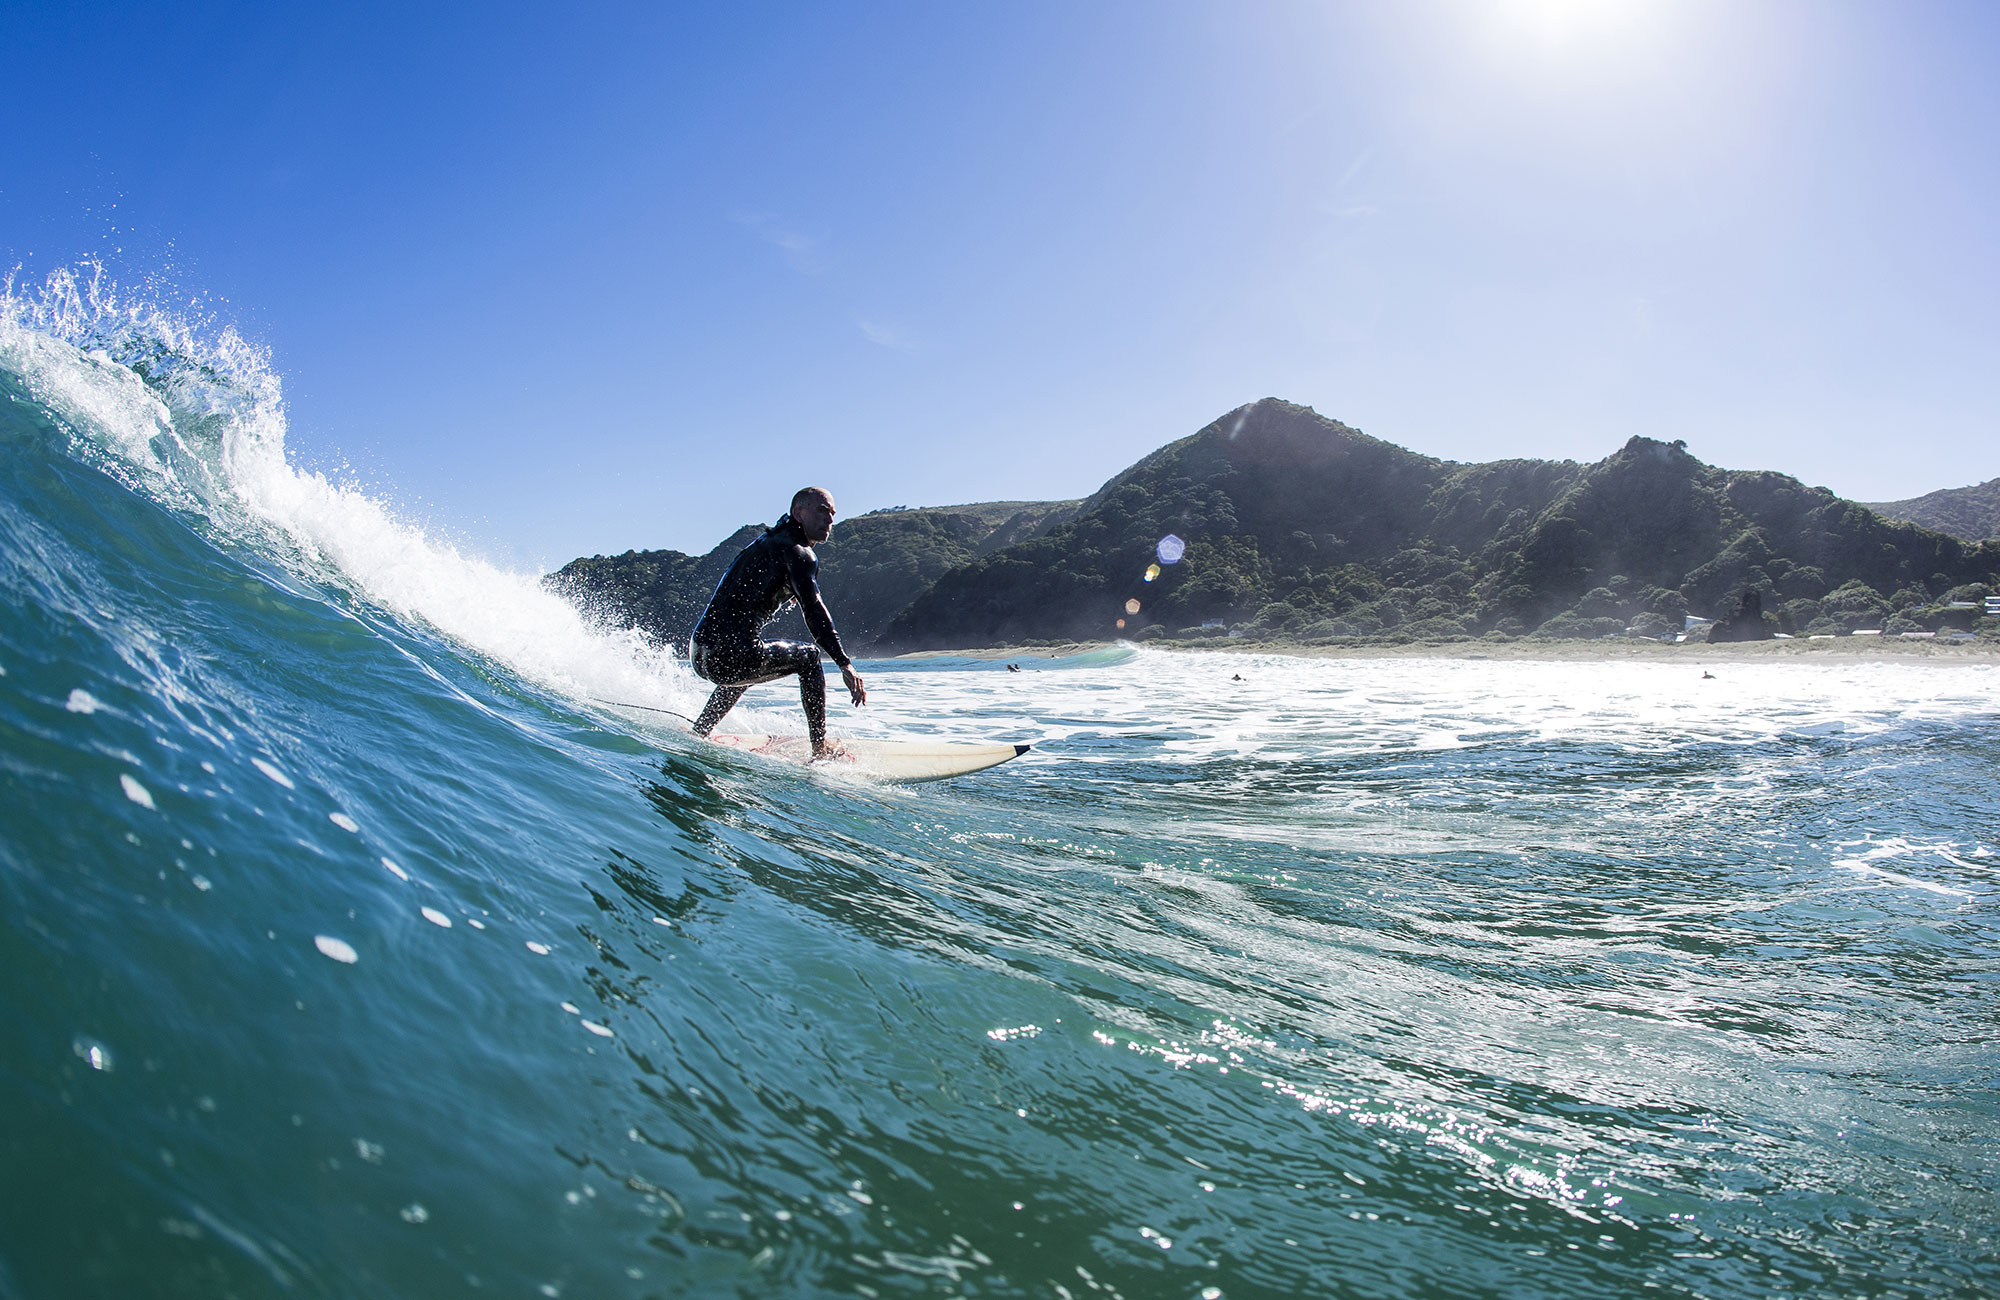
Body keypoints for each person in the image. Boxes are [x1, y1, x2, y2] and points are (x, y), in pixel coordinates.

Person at [689, 487, 866, 759]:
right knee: (809, 657)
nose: (829, 519)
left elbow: (749, 585)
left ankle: (700, 730)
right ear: (798, 512)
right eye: (821, 510)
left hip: (700, 652)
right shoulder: (799, 552)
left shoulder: (766, 542)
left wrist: (787, 588)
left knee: (743, 656)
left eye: (832, 513)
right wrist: (845, 663)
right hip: (730, 658)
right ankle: (820, 749)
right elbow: (815, 612)